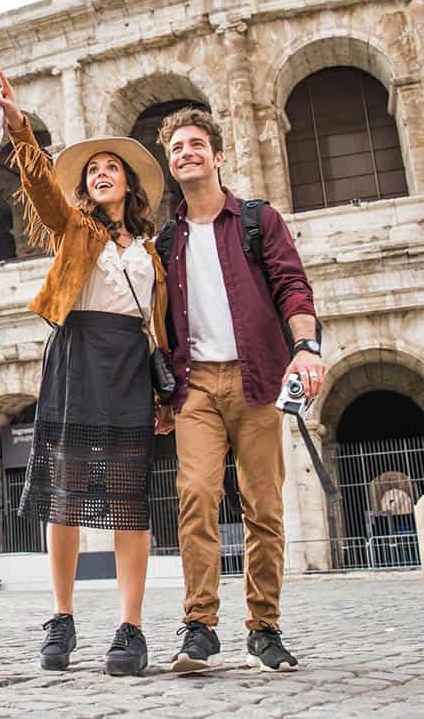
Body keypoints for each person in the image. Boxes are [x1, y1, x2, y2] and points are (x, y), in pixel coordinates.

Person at [0, 66, 173, 676]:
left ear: (129, 185)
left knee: (129, 501)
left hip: (127, 362)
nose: (100, 174)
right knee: (65, 498)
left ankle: (130, 627)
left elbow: (160, 327)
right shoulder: (75, 230)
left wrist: (164, 394)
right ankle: (62, 617)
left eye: (110, 168)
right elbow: (42, 187)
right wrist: (20, 129)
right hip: (75, 353)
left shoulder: (151, 252)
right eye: (92, 170)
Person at [156, 107, 326, 674]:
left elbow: (292, 286)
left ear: (218, 155)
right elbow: (156, 325)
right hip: (196, 385)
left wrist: (307, 348)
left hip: (257, 379)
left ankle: (264, 626)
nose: (187, 153)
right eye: (177, 147)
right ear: (170, 161)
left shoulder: (257, 219)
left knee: (264, 505)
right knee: (197, 497)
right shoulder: (166, 241)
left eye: (196, 144)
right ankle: (200, 625)